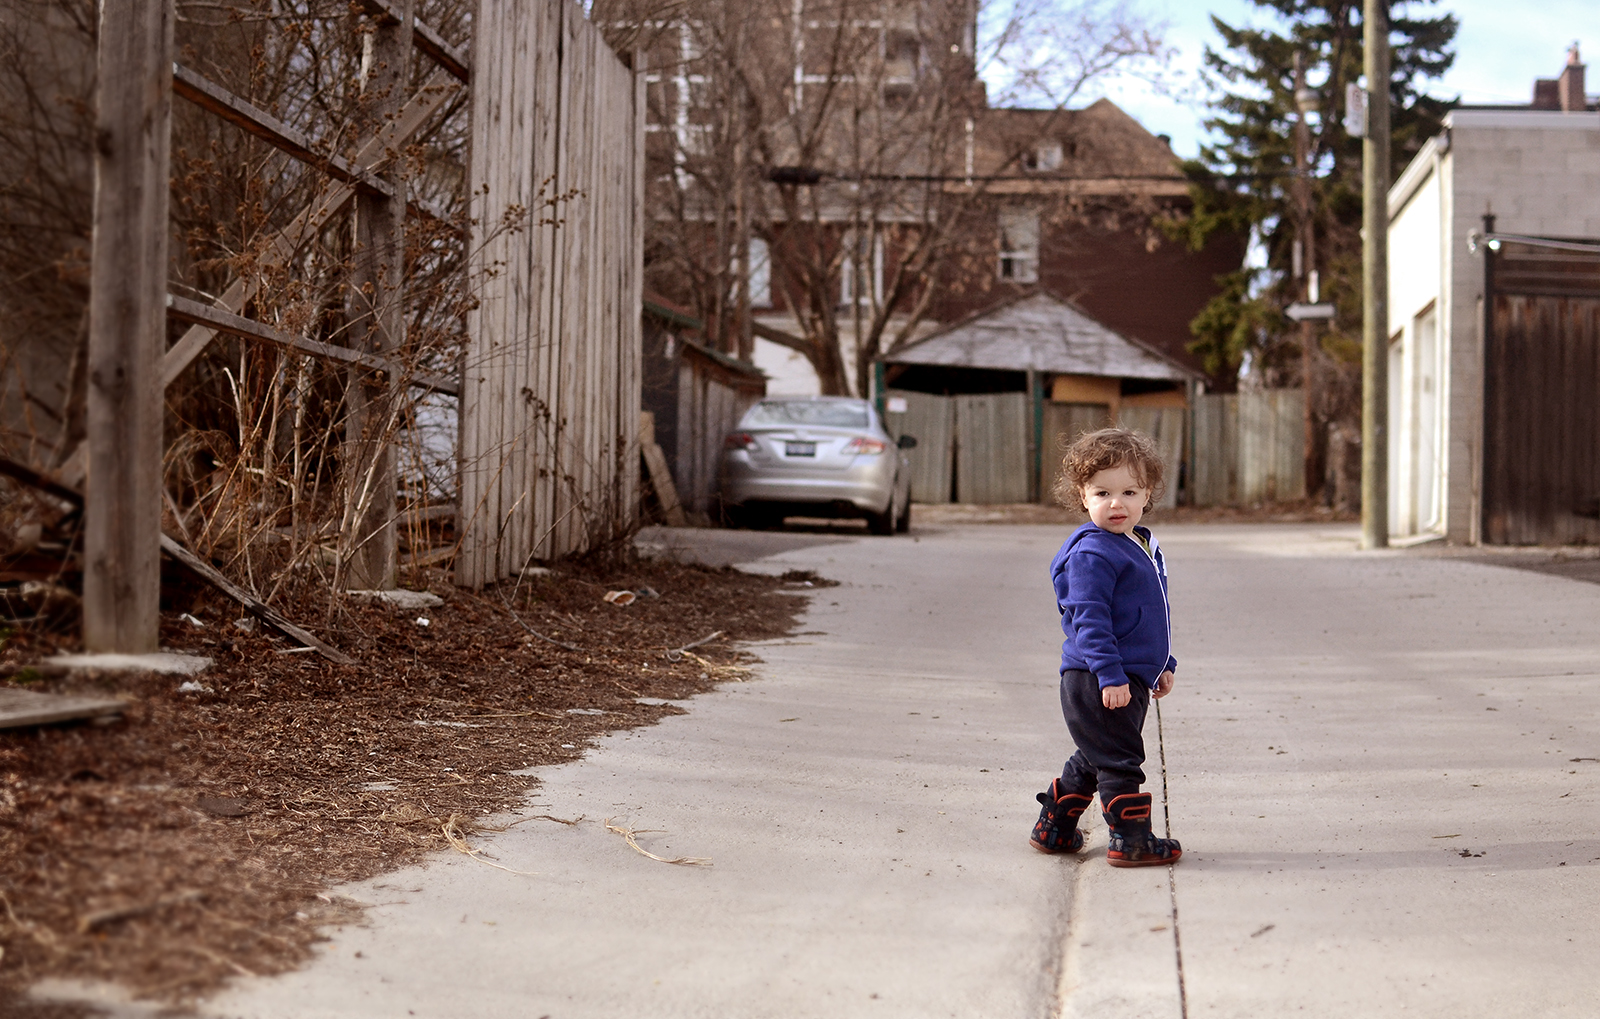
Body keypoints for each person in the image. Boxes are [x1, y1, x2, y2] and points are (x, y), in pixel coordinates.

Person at [1029, 427, 1182, 867]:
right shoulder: (1093, 553)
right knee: (1121, 761)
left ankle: (1054, 827)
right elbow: (1089, 619)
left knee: (1096, 755)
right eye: (1102, 492)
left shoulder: (1137, 543)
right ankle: (1131, 840)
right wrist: (1111, 676)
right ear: (1082, 495)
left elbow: (1151, 616)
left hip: (1124, 675)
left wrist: (1161, 665)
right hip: (1098, 676)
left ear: (1147, 493)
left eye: (1129, 491)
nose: (1117, 503)